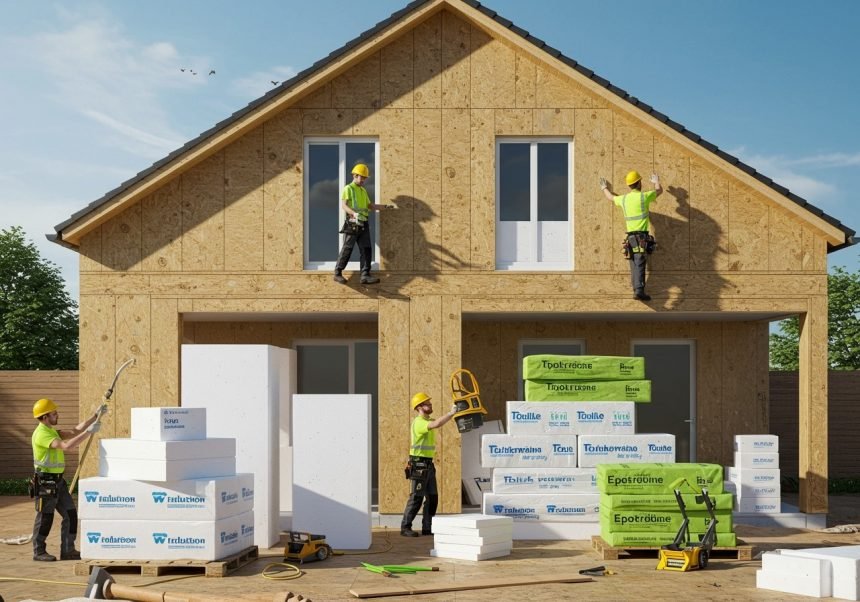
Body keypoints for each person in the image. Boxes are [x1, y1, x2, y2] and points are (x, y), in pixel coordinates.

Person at [31, 397, 105, 561]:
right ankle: (39, 551)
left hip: (58, 481)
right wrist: (89, 433)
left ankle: (68, 550)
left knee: (70, 514)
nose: (57, 415)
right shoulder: (42, 434)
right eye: (54, 413)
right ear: (44, 417)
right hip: (45, 482)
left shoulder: (50, 430)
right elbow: (66, 446)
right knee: (45, 517)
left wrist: (95, 416)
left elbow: (73, 432)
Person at [600, 170, 663, 301]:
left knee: (634, 263)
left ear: (629, 185)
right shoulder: (643, 197)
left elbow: (610, 197)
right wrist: (656, 181)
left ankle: (636, 289)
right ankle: (639, 291)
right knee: (640, 262)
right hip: (641, 238)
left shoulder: (624, 199)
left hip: (630, 239)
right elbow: (659, 191)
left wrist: (604, 187)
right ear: (639, 182)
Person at [400, 392, 457, 537]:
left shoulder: (427, 420)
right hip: (419, 465)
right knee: (416, 497)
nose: (430, 405)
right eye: (427, 404)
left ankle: (427, 527)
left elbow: (435, 422)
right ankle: (405, 527)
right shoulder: (419, 422)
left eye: (430, 403)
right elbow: (436, 424)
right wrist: (451, 413)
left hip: (428, 465)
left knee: (433, 497)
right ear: (419, 407)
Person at [333, 163, 393, 285]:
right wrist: (353, 214)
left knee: (366, 249)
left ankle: (365, 275)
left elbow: (370, 206)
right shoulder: (348, 188)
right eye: (362, 177)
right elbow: (344, 205)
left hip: (364, 223)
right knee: (347, 247)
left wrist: (385, 207)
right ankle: (337, 273)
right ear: (355, 175)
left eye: (365, 178)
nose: (363, 180)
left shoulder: (363, 191)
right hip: (353, 222)